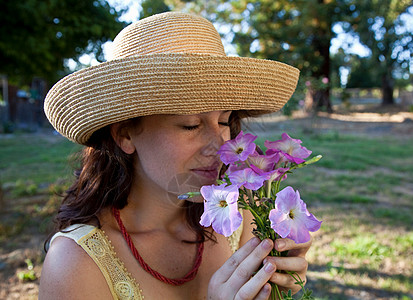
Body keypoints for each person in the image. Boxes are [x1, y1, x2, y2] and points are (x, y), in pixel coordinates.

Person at [39, 12, 310, 300]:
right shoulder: (76, 263)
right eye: (190, 125)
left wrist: (279, 286)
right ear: (125, 135)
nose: (219, 145)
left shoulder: (242, 219)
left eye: (224, 121)